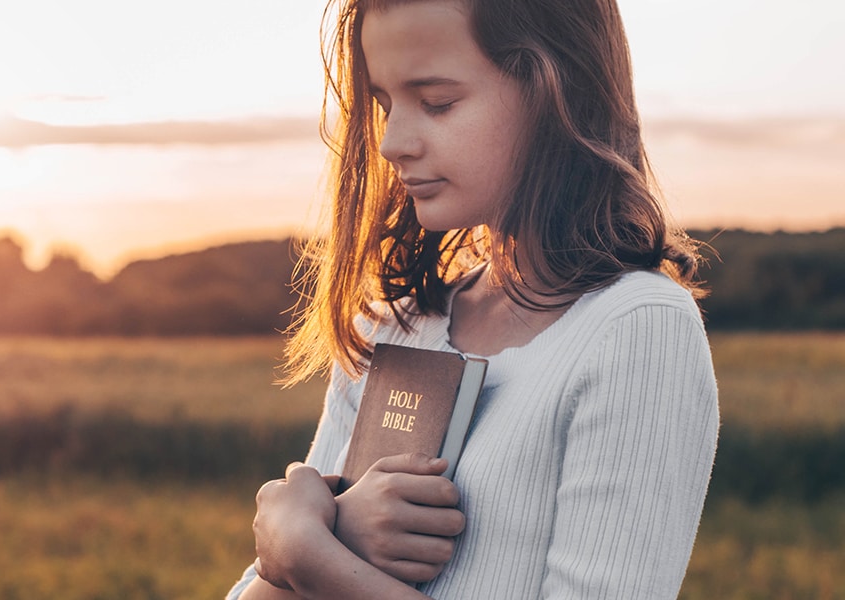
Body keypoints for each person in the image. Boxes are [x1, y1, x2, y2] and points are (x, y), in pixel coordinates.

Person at [227, 0, 719, 598]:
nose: (391, 143)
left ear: (555, 91)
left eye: (437, 102)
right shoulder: (396, 323)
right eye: (385, 104)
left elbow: (299, 561)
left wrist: (305, 552)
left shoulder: (635, 329)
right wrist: (319, 539)